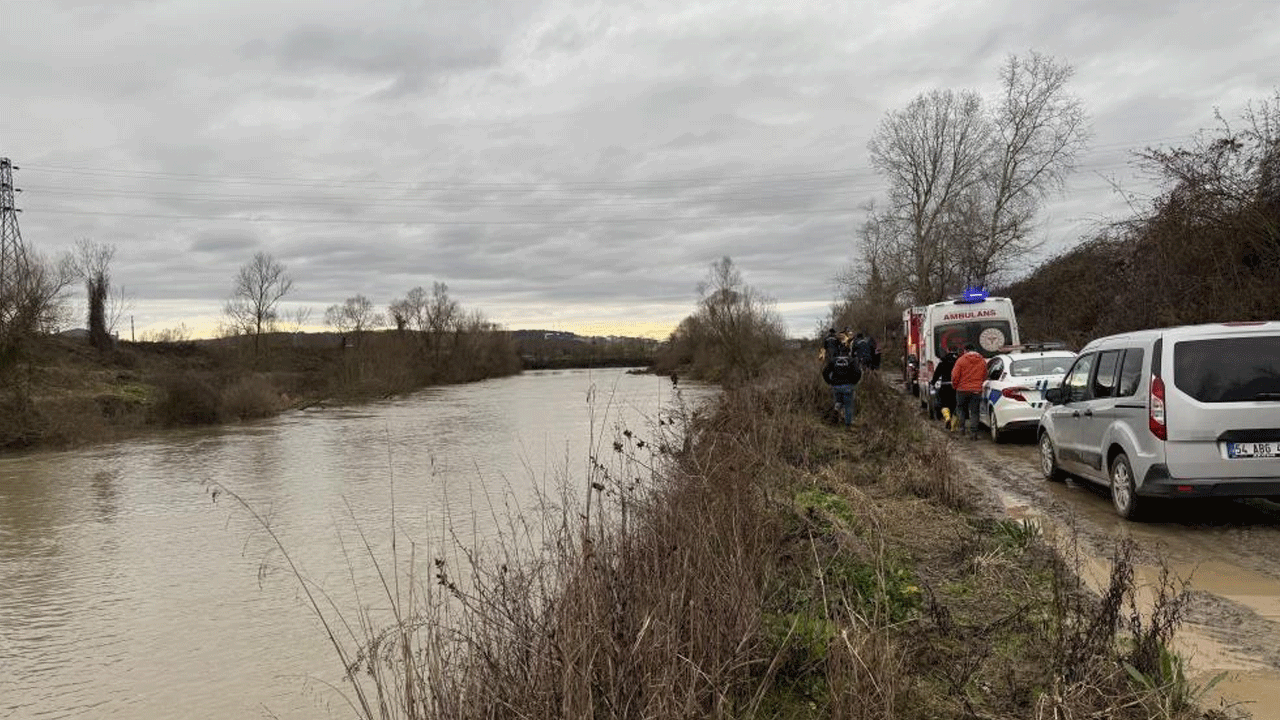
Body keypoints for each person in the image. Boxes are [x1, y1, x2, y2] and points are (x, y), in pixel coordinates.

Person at [822, 338, 862, 425]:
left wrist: (829, 382)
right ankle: (848, 424)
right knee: (848, 406)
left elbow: (825, 372)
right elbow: (858, 372)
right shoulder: (851, 360)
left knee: (838, 401)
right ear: (848, 352)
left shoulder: (833, 360)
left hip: (836, 385)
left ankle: (836, 412)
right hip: (848, 385)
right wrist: (854, 382)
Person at [950, 343, 987, 440]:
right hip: (976, 390)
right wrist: (980, 384)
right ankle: (973, 433)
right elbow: (985, 375)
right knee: (975, 411)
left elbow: (955, 375)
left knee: (961, 409)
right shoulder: (982, 360)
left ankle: (962, 429)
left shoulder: (960, 360)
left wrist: (955, 386)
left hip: (962, 389)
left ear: (965, 351)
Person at [931, 347, 960, 428]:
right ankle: (953, 426)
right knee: (954, 405)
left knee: (943, 404)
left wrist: (933, 383)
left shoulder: (943, 360)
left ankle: (947, 418)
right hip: (955, 386)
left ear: (948, 350)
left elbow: (937, 373)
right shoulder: (958, 361)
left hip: (944, 385)